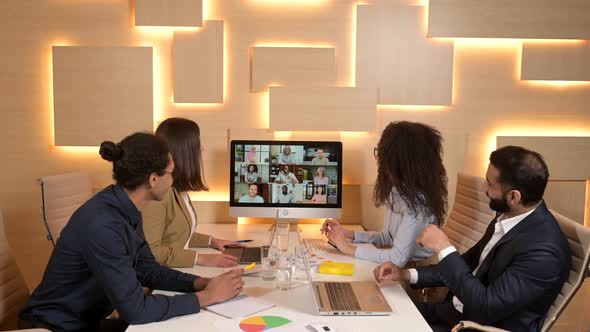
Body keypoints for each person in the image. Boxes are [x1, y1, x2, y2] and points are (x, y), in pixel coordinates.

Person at [19, 133, 244, 332]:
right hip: (56, 327)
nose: (173, 180)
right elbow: (137, 311)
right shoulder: (103, 226)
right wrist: (208, 297)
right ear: (153, 179)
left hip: (86, 322)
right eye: (171, 173)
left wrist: (201, 283)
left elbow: (147, 270)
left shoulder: (124, 207)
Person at [373, 146, 571, 332]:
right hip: (453, 313)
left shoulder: (544, 252)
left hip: (475, 326)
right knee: (374, 316)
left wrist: (443, 247)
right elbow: (466, 264)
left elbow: (486, 306)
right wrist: (407, 275)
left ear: (514, 197)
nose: (484, 187)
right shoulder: (507, 217)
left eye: (490, 183)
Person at [322, 121, 447, 270]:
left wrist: (348, 248)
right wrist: (348, 234)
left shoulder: (418, 204)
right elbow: (387, 238)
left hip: (414, 273)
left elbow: (397, 259)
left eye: (381, 153)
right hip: (401, 266)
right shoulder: (398, 190)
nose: (378, 159)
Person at [142, 118, 242, 269]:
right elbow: (151, 251)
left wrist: (212, 241)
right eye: (197, 144)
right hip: (156, 283)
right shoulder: (158, 194)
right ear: (184, 151)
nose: (202, 148)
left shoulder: (177, 189)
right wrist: (200, 258)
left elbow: (176, 234)